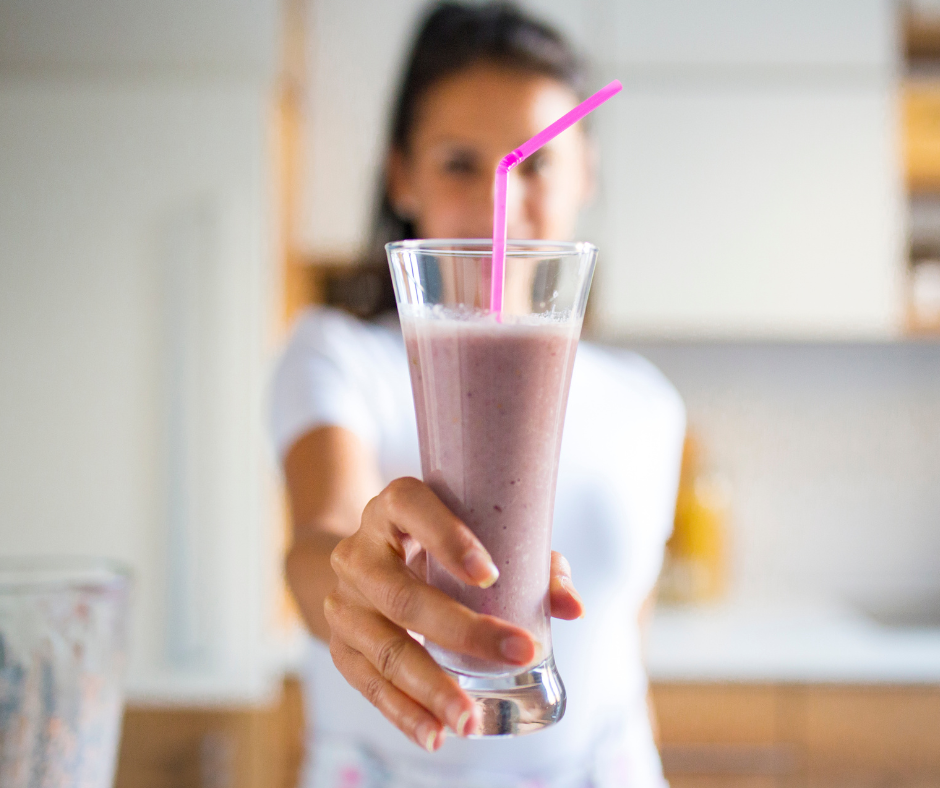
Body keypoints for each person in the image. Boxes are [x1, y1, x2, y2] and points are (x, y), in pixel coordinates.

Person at [270, 3, 686, 786]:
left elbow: (625, 648)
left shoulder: (649, 405)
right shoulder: (335, 356)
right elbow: (315, 542)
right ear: (401, 175)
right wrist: (356, 578)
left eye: (537, 162)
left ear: (586, 173)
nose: (508, 202)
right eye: (462, 162)